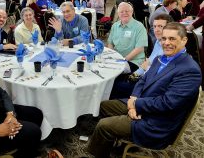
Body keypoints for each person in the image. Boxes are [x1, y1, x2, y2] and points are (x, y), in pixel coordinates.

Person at [87, 22, 202, 158]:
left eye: (172, 39)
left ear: (184, 40)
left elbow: (168, 103)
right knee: (103, 106)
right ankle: (113, 141)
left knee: (103, 125)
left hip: (156, 122)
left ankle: (100, 153)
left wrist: (136, 105)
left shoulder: (189, 70)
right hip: (143, 105)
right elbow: (142, 80)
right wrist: (134, 98)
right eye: (163, 38)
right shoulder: (161, 59)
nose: (166, 43)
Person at [109, 14, 173, 100]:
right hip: (141, 77)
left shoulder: (169, 50)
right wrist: (133, 76)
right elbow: (147, 64)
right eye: (154, 26)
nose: (156, 30)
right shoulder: (158, 42)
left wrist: (146, 68)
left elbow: (156, 75)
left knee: (112, 86)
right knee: (113, 79)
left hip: (148, 87)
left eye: (160, 26)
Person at [107, 2, 148, 70]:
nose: (124, 13)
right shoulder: (115, 26)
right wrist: (111, 55)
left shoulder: (139, 27)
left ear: (132, 12)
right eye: (121, 11)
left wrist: (123, 60)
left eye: (127, 11)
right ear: (118, 13)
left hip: (134, 61)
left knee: (113, 71)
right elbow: (110, 43)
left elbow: (139, 48)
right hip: (117, 59)